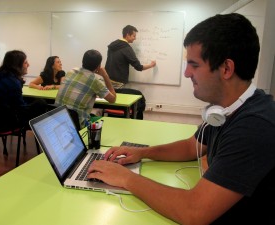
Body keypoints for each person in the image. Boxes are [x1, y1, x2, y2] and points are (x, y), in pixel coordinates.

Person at [88, 13, 275, 224]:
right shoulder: (225, 109)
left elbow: (193, 212)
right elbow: (190, 146)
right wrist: (142, 152)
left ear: (226, 69)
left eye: (194, 65)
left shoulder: (254, 126)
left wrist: (125, 178)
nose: (186, 73)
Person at [55, 49, 116, 129]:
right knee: (107, 123)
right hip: (78, 125)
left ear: (83, 61)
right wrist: (105, 75)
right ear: (98, 66)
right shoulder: (94, 80)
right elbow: (113, 99)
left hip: (57, 121)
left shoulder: (71, 71)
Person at [0, 50, 47, 125]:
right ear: (17, 65)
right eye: (25, 62)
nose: (28, 65)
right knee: (41, 103)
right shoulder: (13, 83)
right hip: (1, 121)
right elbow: (20, 108)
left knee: (32, 101)